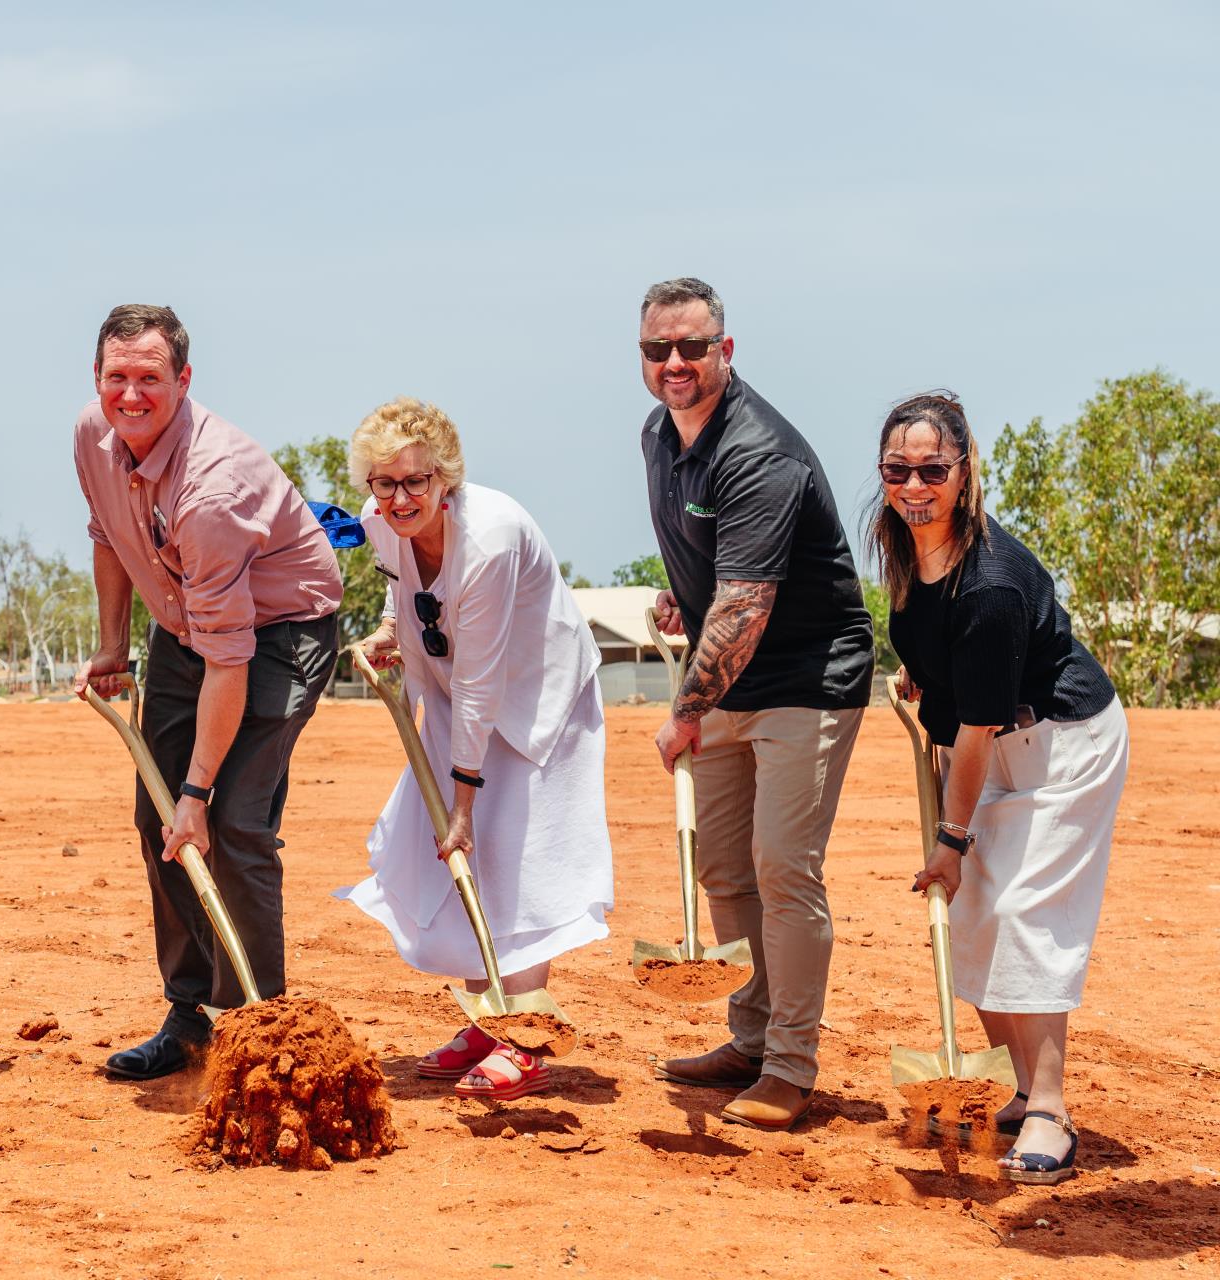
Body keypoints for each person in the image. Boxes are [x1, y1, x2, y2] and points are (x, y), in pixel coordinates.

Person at [71, 304, 343, 1081]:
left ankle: (258, 1025)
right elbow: (108, 537)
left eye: (149, 379)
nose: (131, 395)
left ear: (183, 381)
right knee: (156, 817)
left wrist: (197, 791)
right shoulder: (93, 436)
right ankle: (190, 1014)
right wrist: (112, 644)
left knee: (233, 822)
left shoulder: (212, 491)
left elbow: (233, 662)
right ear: (96, 379)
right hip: (185, 623)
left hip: (280, 635)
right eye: (116, 377)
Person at [638, 277, 873, 1130]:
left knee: (781, 866)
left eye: (693, 347)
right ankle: (750, 1035)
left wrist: (685, 709)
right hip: (731, 675)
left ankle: (790, 1066)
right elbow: (702, 560)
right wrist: (680, 599)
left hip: (806, 682)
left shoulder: (757, 452)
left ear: (724, 352)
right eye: (658, 349)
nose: (675, 363)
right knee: (725, 870)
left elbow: (745, 605)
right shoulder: (659, 437)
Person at [874, 391, 1125, 1184]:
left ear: (963, 471)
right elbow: (948, 670)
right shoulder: (906, 548)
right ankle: (1019, 1091)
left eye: (932, 470)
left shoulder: (992, 583)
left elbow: (978, 731)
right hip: (989, 739)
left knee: (1023, 912)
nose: (915, 485)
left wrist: (951, 842)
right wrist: (929, 683)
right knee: (977, 915)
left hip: (1062, 747)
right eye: (897, 469)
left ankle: (1050, 1111)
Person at [338, 399, 613, 1101]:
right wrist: (387, 634)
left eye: (416, 482)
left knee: (512, 855)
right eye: (384, 482)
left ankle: (522, 1034)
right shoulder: (381, 523)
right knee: (462, 862)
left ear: (445, 480)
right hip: (457, 696)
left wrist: (462, 803)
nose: (400, 498)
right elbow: (409, 596)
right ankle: (485, 1021)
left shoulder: (487, 540)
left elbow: (484, 678)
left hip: (533, 701)